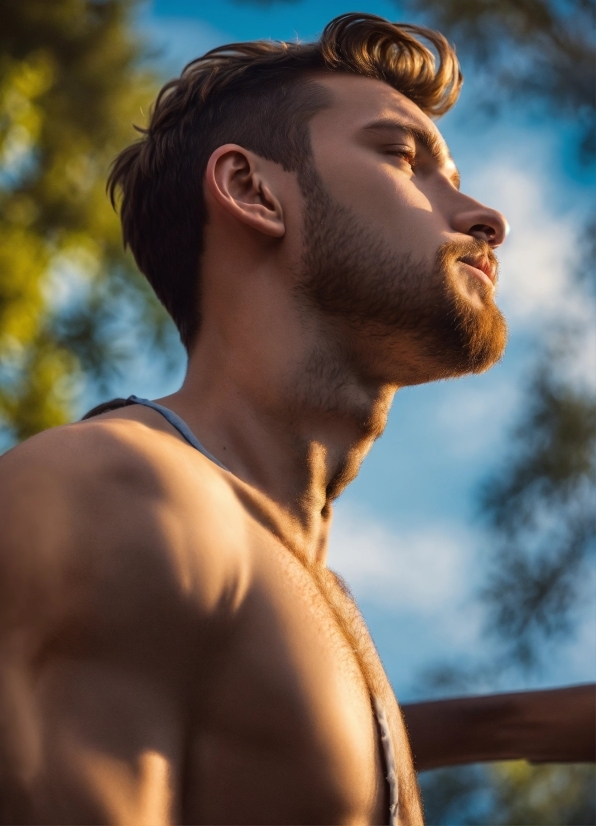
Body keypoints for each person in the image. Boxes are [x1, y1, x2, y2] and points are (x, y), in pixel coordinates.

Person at [0, 13, 509, 826]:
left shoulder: (304, 584)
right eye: (405, 160)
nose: (486, 217)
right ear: (251, 190)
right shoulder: (114, 493)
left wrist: (520, 724)